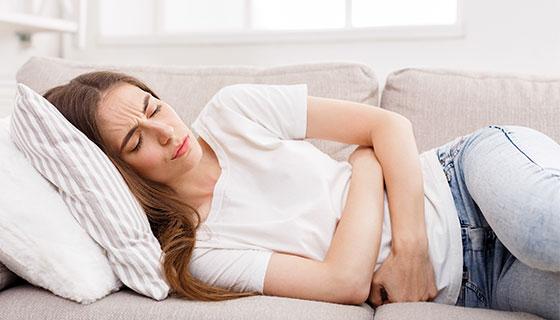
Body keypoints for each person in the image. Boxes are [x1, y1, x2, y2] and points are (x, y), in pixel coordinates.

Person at [43, 71, 559, 319]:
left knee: (544, 232)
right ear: (115, 173)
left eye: (152, 107)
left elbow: (390, 125)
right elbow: (344, 282)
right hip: (478, 287)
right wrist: (363, 163)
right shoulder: (198, 252)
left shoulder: (233, 111)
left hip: (461, 181)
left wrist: (411, 249)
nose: (164, 132)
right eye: (135, 142)